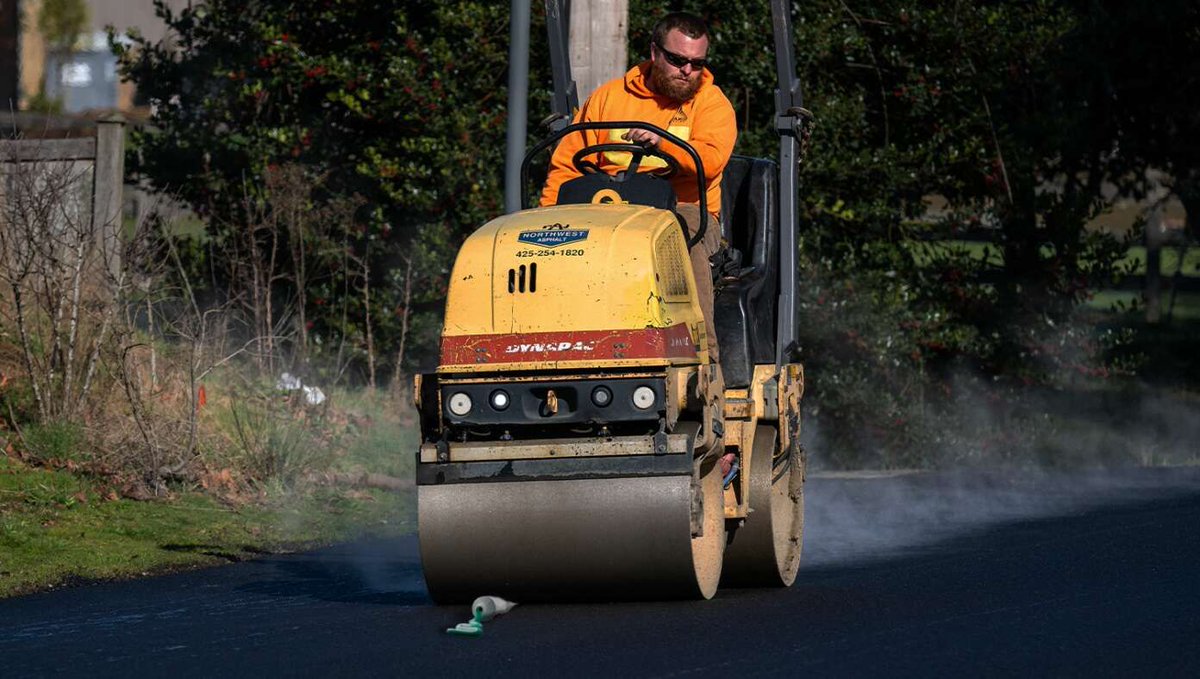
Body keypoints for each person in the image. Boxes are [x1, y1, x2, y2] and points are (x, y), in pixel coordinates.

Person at [539, 11, 736, 366]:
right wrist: (547, 221)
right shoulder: (607, 98)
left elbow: (709, 162)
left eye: (697, 63)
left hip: (684, 208)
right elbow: (566, 164)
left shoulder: (711, 103)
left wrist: (662, 143)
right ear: (654, 52)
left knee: (678, 238)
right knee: (546, 247)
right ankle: (549, 344)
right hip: (607, 207)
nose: (687, 71)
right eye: (678, 60)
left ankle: (701, 359)